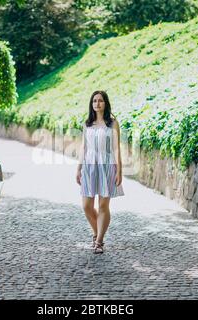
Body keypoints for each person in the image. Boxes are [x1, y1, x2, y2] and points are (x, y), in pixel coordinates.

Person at [76, 90, 124, 254]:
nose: (97, 104)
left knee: (103, 205)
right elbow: (84, 147)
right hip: (89, 166)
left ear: (105, 103)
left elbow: (117, 149)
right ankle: (97, 233)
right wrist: (78, 168)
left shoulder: (113, 123)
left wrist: (120, 171)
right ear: (92, 104)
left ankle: (99, 241)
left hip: (107, 166)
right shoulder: (87, 123)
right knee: (86, 206)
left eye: (100, 101)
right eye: (94, 101)